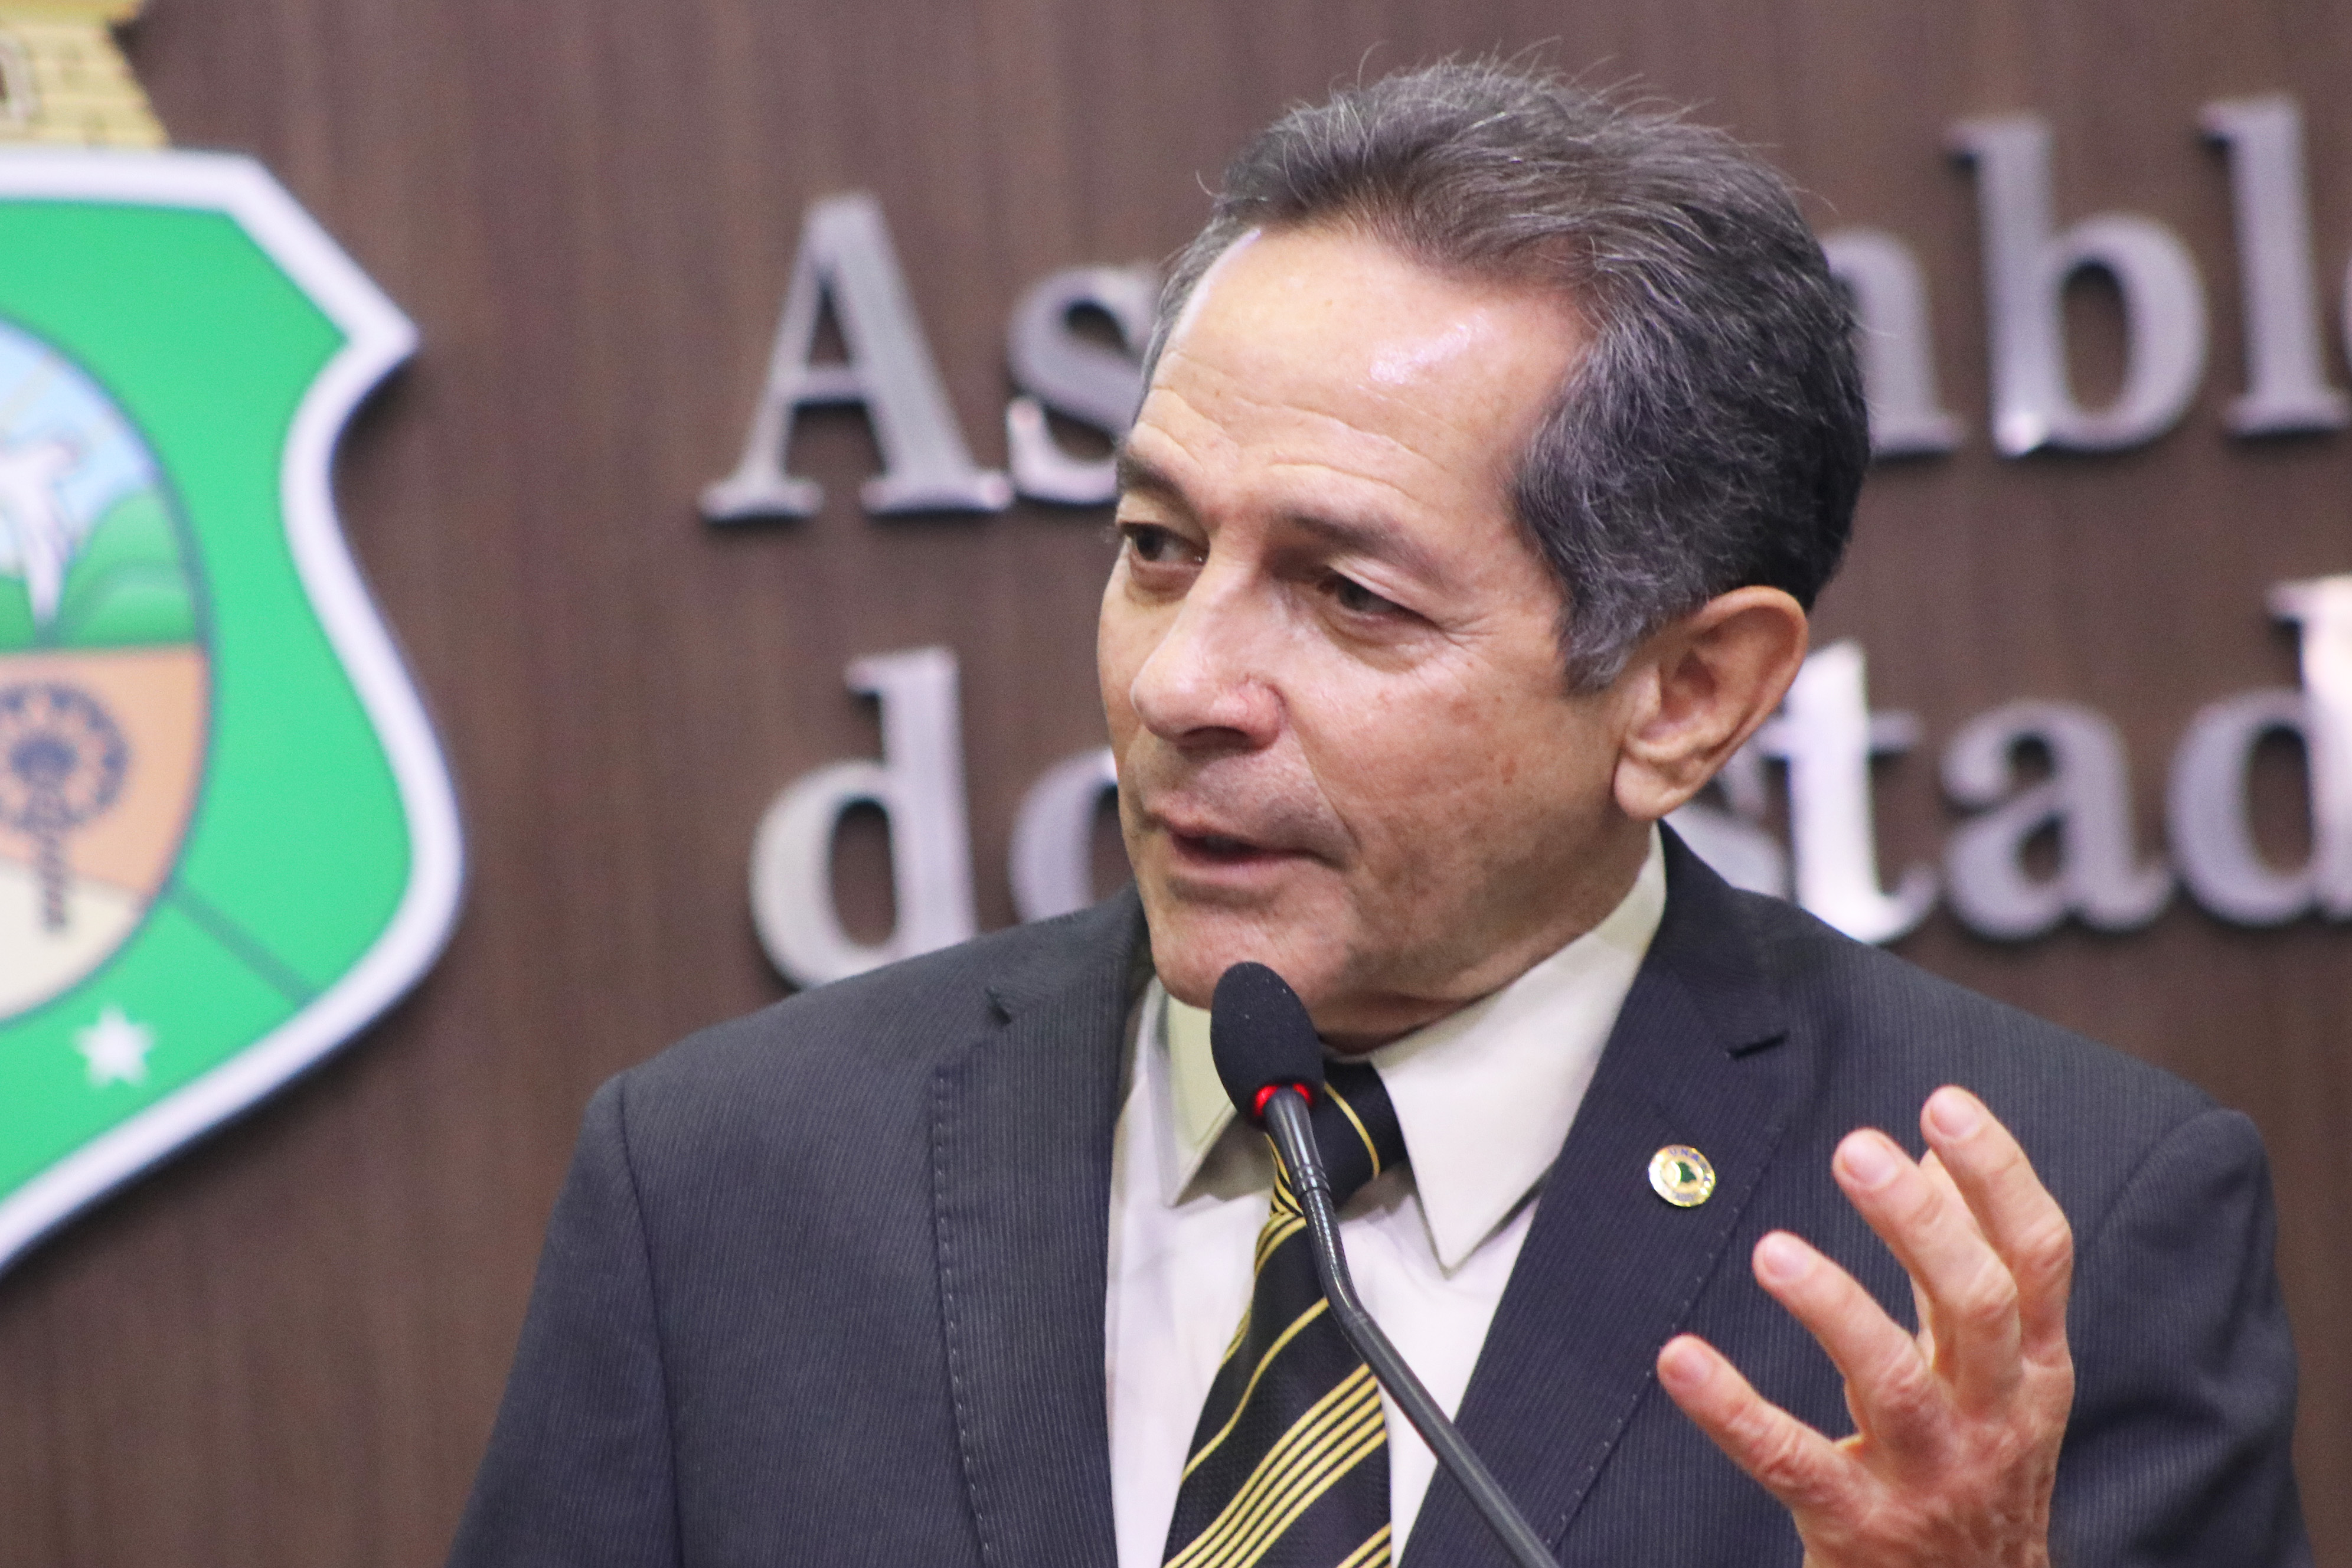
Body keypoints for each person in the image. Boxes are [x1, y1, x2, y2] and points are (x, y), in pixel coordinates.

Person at [448, 62, 2307, 1567]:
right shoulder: (726, 1186)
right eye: (1156, 547)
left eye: (1349, 595)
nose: (1184, 682)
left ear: (1687, 694)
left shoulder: (2048, 1257)